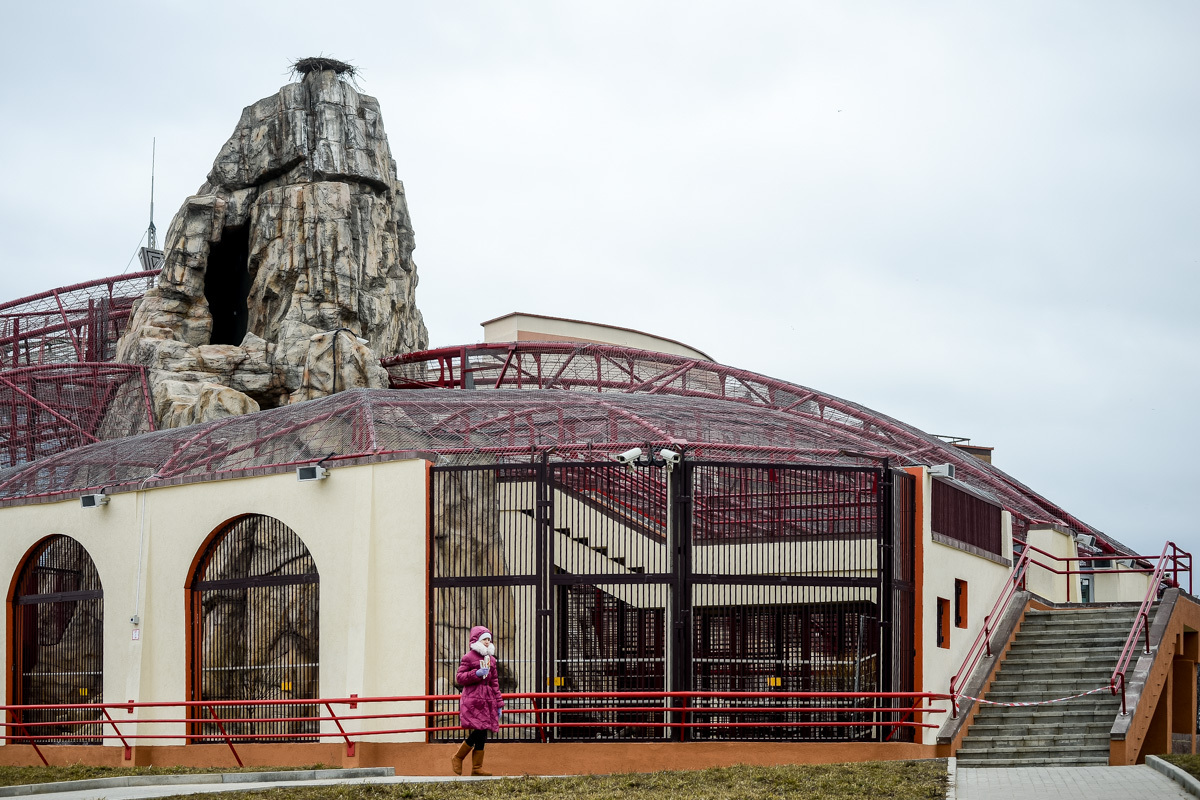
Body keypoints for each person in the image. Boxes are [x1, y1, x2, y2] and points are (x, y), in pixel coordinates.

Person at [450, 625, 502, 776]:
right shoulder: (469, 657)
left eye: (488, 639)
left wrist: (499, 704)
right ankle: (458, 757)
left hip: (487, 701)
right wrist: (476, 673)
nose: (487, 642)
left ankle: (477, 768)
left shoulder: (491, 660)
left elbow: (495, 683)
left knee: (482, 732)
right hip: (473, 700)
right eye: (484, 639)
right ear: (477, 640)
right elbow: (460, 678)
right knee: (479, 730)